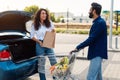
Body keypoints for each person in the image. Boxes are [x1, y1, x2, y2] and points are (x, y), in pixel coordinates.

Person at [71, 2, 108, 80]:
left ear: (94, 11)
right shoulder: (98, 22)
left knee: (90, 77)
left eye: (90, 10)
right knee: (98, 77)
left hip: (97, 53)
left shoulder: (100, 23)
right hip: (97, 53)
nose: (89, 11)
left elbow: (91, 38)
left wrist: (78, 47)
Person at [30, 8, 57, 80]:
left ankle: (56, 78)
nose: (44, 15)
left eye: (45, 13)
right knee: (41, 64)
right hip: (40, 44)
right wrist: (39, 42)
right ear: (39, 15)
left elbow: (53, 30)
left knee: (54, 61)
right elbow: (32, 36)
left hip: (48, 43)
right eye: (43, 13)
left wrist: (54, 31)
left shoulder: (49, 22)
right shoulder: (34, 24)